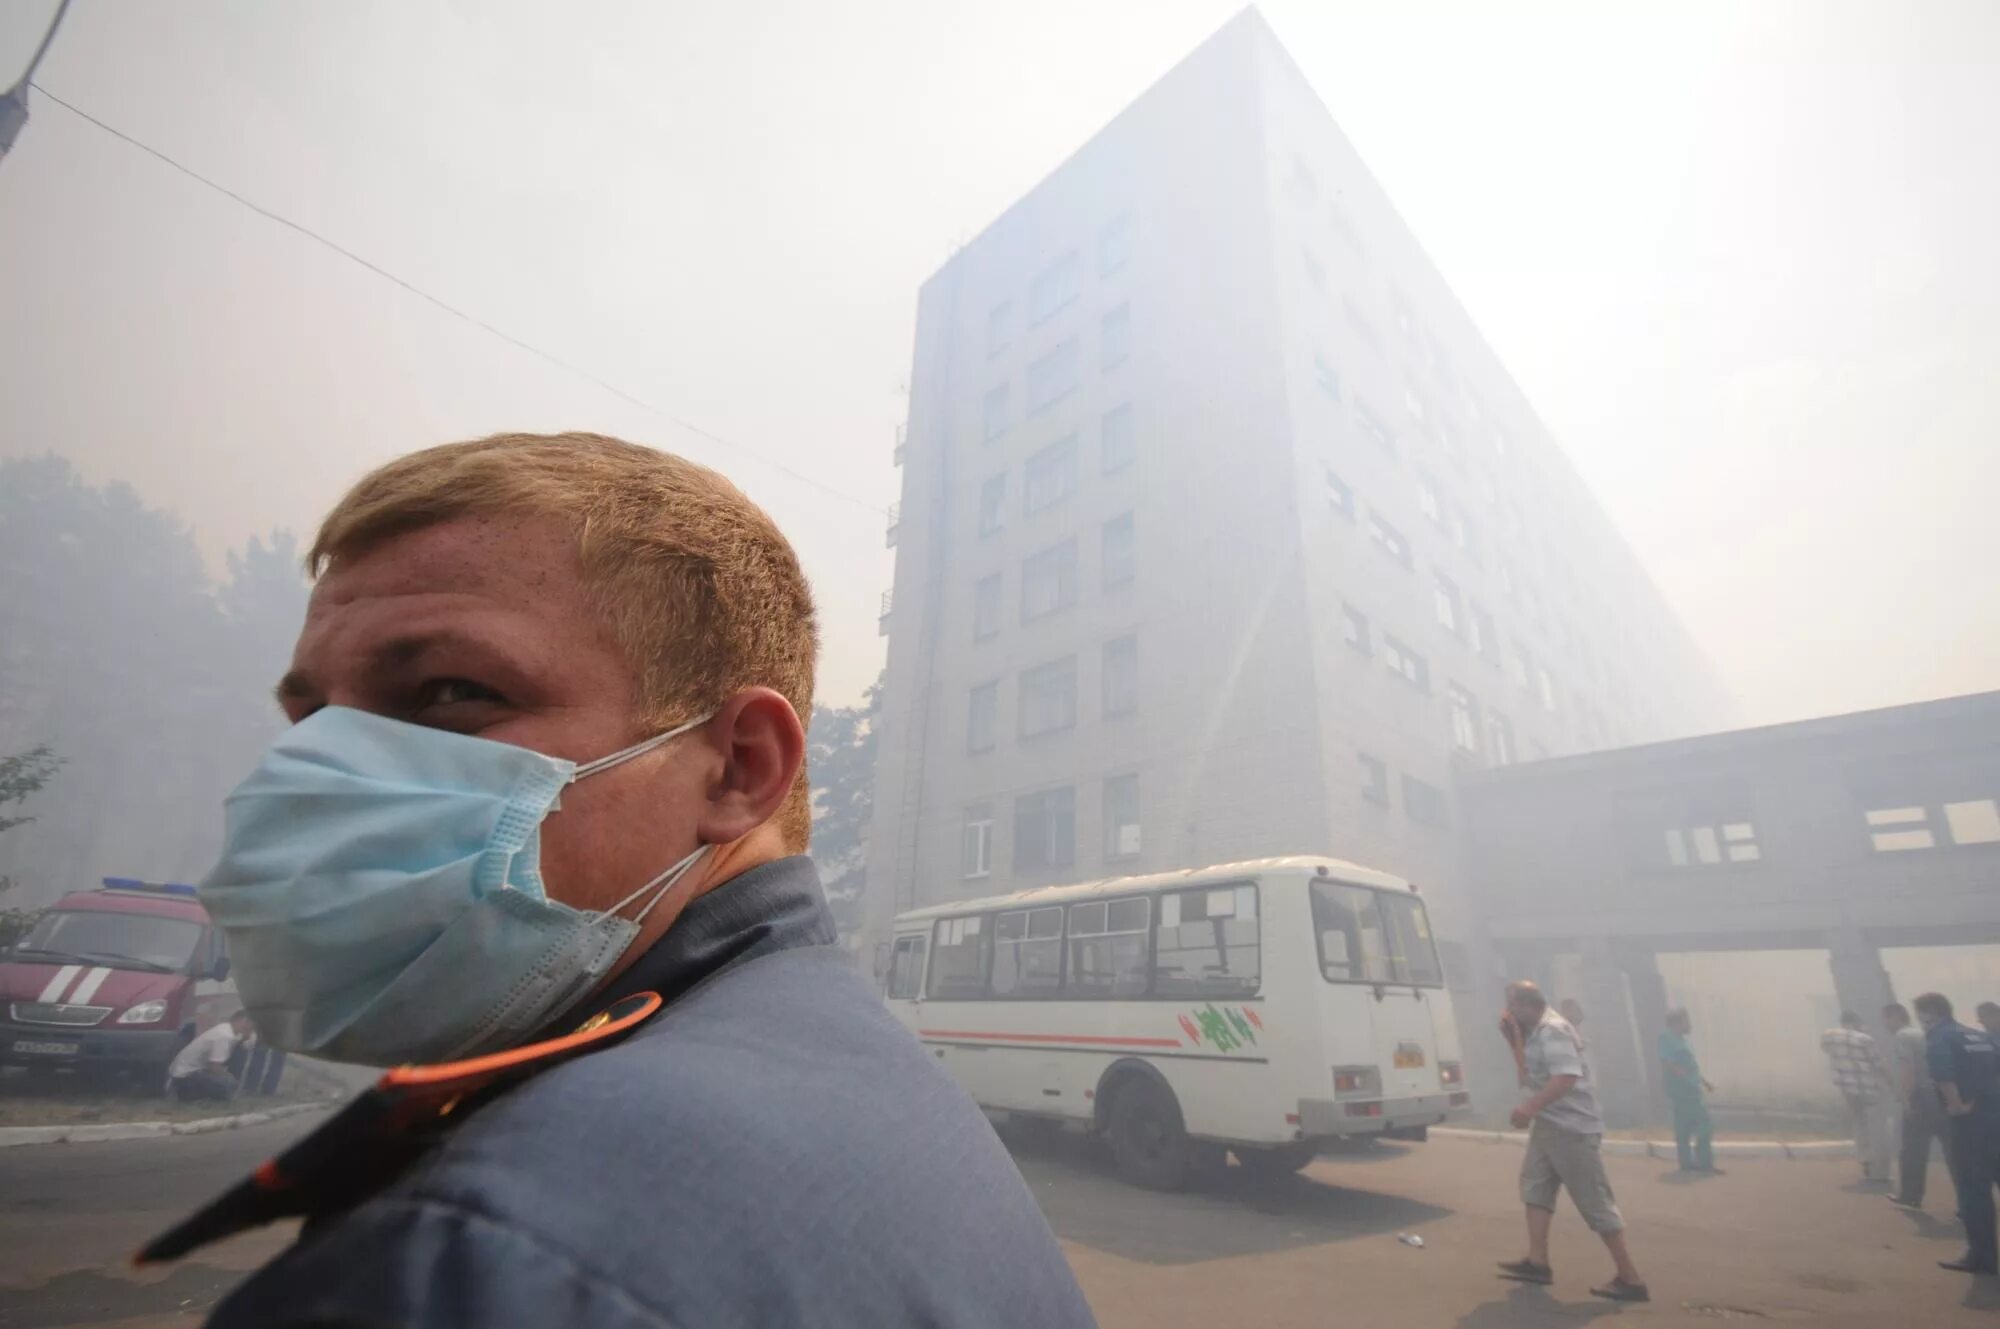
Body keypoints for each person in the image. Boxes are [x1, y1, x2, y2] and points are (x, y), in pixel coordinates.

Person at [159, 434, 1096, 1328]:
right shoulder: (840, 1065)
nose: (325, 778)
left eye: (449, 692)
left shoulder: (487, 1263)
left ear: (737, 768)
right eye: (313, 717)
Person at [1495, 980, 1650, 1303]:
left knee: (1593, 1201)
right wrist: (1514, 1041)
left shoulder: (1553, 1031)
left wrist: (1529, 1107)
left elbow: (1566, 1076)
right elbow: (1528, 1075)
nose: (1508, 1012)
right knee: (1535, 1187)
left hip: (1572, 1129)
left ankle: (1630, 1278)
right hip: (1549, 1125)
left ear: (1528, 1005)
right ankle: (1538, 1262)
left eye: (1512, 1006)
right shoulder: (1532, 1031)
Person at [1915, 992, 2000, 1275]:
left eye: (1921, 1015)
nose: (1921, 1021)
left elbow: (1942, 1074)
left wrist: (1957, 1105)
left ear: (1930, 1013)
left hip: (1970, 1124)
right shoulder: (1979, 1036)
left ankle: (1981, 1257)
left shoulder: (1940, 1036)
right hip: (1995, 1115)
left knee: (1973, 1190)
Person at [1820, 1010, 1894, 1188]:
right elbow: (1878, 1064)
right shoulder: (1864, 1039)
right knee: (1876, 1124)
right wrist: (1891, 1084)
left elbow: (1825, 1049)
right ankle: (1879, 1165)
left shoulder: (1829, 1036)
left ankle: (1865, 1161)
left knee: (1859, 1122)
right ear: (1857, 1022)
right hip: (1869, 1088)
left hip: (1847, 1089)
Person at [1885, 1001, 1944, 1212]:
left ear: (1896, 1017)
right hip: (1940, 1096)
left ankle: (1910, 1196)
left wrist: (1906, 1099)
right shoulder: (1923, 1034)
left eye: (1887, 1019)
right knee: (1953, 1151)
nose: (1886, 1025)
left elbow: (1907, 1068)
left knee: (1912, 1149)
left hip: (1919, 1098)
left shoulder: (1901, 1036)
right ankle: (1967, 1206)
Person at [1657, 1008, 1721, 1176]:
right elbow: (1668, 1062)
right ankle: (1701, 1163)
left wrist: (1704, 1082)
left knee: (1688, 1126)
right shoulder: (1666, 1038)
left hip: (1690, 1088)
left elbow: (1690, 1065)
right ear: (1677, 1022)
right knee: (1701, 1125)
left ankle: (1691, 1163)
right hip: (1682, 1091)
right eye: (1687, 1021)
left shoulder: (1682, 1040)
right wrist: (1685, 1079)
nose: (1690, 1025)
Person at [165, 1011, 252, 1102]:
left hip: (182, 1072)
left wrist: (243, 1039)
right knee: (227, 1085)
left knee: (226, 1083)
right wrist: (230, 1079)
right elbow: (214, 1066)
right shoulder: (225, 1036)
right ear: (243, 1021)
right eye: (250, 1024)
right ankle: (192, 1096)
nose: (251, 1028)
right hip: (187, 1075)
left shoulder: (224, 1028)